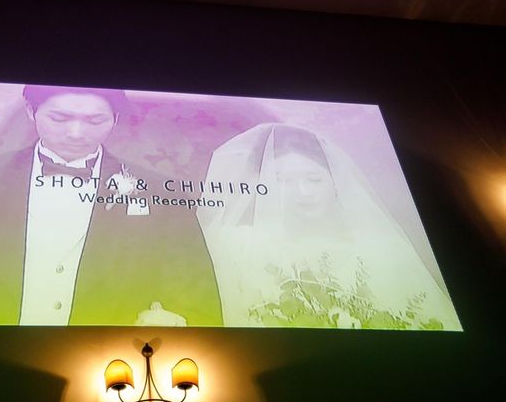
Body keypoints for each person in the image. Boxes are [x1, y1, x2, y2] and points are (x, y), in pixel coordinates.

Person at [0, 84, 222, 326]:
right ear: (31, 111)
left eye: (94, 121)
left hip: (104, 364)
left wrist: (172, 321)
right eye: (59, 118)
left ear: (115, 119)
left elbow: (194, 297)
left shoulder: (161, 193)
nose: (76, 133)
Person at [197, 123, 462, 330]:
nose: (302, 193)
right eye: (282, 182)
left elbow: (429, 318)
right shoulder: (246, 245)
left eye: (313, 179)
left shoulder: (381, 248)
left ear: (336, 182)